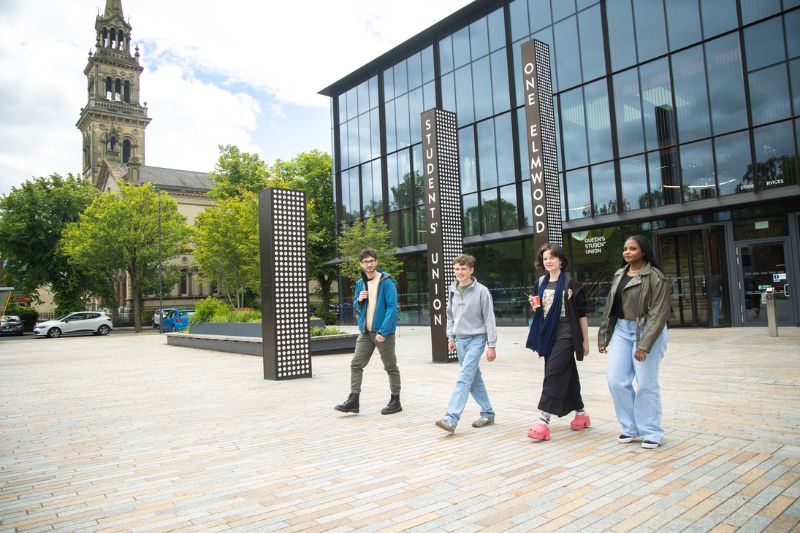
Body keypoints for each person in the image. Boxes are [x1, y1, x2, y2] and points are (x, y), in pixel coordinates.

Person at [598, 235, 671, 449]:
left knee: (646, 382)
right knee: (615, 379)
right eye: (625, 249)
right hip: (622, 329)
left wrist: (644, 344)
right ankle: (631, 427)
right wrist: (604, 336)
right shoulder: (619, 274)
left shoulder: (656, 276)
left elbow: (659, 313)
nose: (627, 252)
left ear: (644, 252)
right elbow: (610, 308)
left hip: (647, 330)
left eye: (632, 248)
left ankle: (652, 431)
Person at [525, 243, 590, 441]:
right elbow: (539, 309)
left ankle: (543, 421)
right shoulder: (540, 283)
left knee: (552, 374)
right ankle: (581, 413)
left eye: (552, 257)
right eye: (545, 258)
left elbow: (581, 314)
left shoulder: (571, 283)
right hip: (548, 335)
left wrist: (585, 342)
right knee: (567, 374)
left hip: (567, 335)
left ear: (561, 260)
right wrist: (534, 307)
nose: (549, 261)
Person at [334, 249, 402, 415]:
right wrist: (359, 299)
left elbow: (392, 308)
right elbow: (358, 307)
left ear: (376, 262)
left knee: (390, 366)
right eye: (365, 262)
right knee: (356, 364)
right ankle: (354, 400)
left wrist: (384, 331)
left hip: (382, 333)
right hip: (366, 332)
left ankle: (395, 400)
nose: (369, 264)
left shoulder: (386, 281)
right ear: (361, 264)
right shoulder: (360, 283)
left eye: (371, 261)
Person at [435, 254, 497, 434]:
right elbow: (450, 315)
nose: (460, 272)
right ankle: (488, 413)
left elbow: (489, 319)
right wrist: (451, 338)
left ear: (471, 270)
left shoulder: (482, 291)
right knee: (473, 379)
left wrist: (491, 345)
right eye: (457, 269)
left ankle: (451, 418)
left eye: (463, 269)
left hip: (477, 339)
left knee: (463, 379)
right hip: (460, 340)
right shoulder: (452, 289)